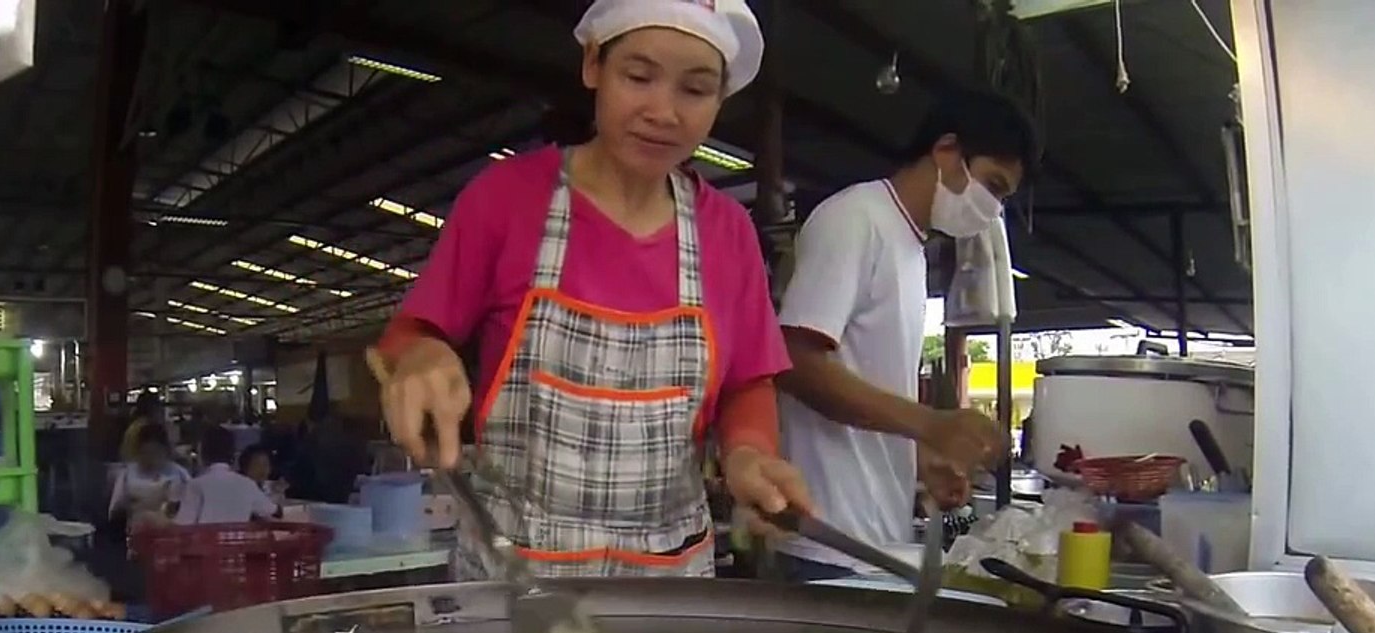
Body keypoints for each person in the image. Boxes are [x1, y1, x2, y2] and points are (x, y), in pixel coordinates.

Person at [376, 0, 810, 579]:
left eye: (695, 89)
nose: (663, 111)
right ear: (592, 66)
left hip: (668, 586)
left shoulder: (727, 231)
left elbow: (747, 384)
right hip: (515, 584)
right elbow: (410, 335)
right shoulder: (506, 199)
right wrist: (422, 355)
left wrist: (750, 452)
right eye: (638, 76)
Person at [773, 92, 1039, 581]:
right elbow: (794, 361)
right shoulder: (855, 220)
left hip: (874, 543)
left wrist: (918, 462)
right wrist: (932, 424)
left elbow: (867, 382)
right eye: (993, 186)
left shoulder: (911, 251)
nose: (992, 210)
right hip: (824, 544)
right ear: (946, 151)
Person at [174, 427, 280, 525]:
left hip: (206, 543)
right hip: (239, 544)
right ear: (233, 454)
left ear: (203, 453)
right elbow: (273, 510)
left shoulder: (195, 485)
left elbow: (183, 523)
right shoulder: (247, 484)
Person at [107, 422, 189, 529]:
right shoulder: (127, 475)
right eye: (145, 453)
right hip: (134, 533)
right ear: (138, 452)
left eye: (155, 452)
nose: (150, 458)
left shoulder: (179, 473)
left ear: (165, 451)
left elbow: (191, 508)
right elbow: (114, 513)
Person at [118, 392, 165, 463]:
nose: (162, 411)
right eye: (159, 407)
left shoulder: (136, 424)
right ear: (153, 408)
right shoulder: (147, 429)